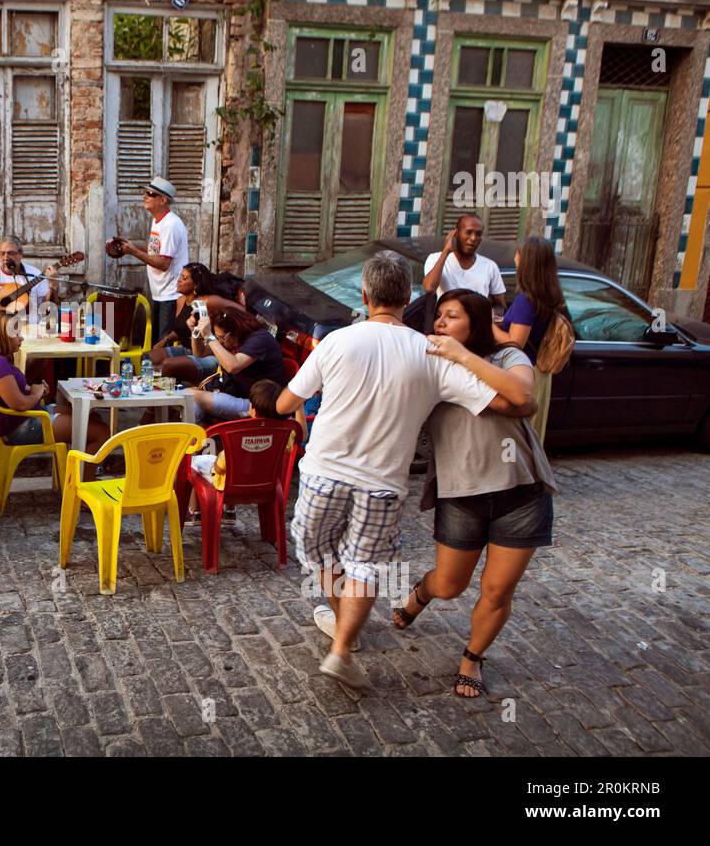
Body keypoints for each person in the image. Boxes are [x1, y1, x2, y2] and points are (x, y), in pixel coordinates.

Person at [274, 251, 535, 692]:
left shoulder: (337, 341)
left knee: (320, 556)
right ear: (409, 297)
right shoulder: (430, 352)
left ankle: (343, 630)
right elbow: (511, 404)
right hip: (382, 484)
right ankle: (341, 646)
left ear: (364, 295)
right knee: (365, 565)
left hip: (323, 473)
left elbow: (285, 404)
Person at [395, 289, 555, 698]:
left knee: (498, 590)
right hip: (461, 493)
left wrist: (463, 356)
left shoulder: (507, 358)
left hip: (522, 491)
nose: (441, 324)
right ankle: (421, 592)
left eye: (452, 317)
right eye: (440, 317)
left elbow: (523, 397)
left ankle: (473, 656)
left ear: (477, 323)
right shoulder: (430, 369)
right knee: (449, 585)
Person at [0, 312, 109, 455]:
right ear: (3, 335)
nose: (21, 338)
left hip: (29, 416)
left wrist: (34, 388)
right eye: (17, 334)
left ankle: (79, 468)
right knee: (101, 432)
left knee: (91, 415)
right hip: (22, 426)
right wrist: (36, 393)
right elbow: (19, 404)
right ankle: (81, 476)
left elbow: (12, 391)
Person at [185, 378, 305, 524]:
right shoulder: (285, 432)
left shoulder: (239, 432)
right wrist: (298, 405)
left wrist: (216, 465)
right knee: (236, 467)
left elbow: (221, 465)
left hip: (232, 484)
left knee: (195, 462)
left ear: (253, 410)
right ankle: (229, 512)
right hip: (267, 483)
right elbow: (302, 434)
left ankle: (195, 512)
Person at [493, 236, 565, 445]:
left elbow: (515, 343)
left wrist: (491, 327)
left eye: (518, 254)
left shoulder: (526, 300)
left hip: (524, 373)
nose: (515, 258)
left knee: (517, 436)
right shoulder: (549, 295)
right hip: (540, 372)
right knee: (532, 434)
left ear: (526, 261)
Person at [109, 176, 188, 343]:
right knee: (156, 341)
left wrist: (133, 252)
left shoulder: (171, 225)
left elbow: (163, 263)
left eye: (150, 193)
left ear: (163, 200)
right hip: (160, 292)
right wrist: (130, 245)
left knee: (163, 344)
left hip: (171, 294)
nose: (144, 196)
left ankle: (164, 370)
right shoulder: (158, 221)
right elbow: (154, 248)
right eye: (145, 192)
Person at [148, 263, 245, 385]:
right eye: (179, 277)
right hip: (188, 348)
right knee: (148, 359)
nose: (178, 281)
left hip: (210, 352)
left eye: (184, 278)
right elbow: (181, 330)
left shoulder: (209, 301)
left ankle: (170, 396)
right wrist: (165, 340)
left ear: (196, 284)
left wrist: (219, 323)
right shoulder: (181, 300)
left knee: (167, 366)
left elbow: (242, 311)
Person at [187, 308, 288, 422]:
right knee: (193, 405)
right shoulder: (231, 339)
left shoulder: (260, 340)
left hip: (258, 405)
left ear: (234, 333)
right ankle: (204, 439)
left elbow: (233, 366)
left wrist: (209, 336)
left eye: (221, 338)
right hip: (234, 392)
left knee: (188, 395)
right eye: (217, 338)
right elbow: (200, 352)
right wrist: (195, 331)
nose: (220, 342)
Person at [422, 214, 507, 307]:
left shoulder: (490, 266)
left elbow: (500, 304)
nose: (473, 238)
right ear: (456, 233)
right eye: (468, 232)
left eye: (478, 234)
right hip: (447, 320)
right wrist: (446, 251)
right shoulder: (435, 258)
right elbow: (429, 288)